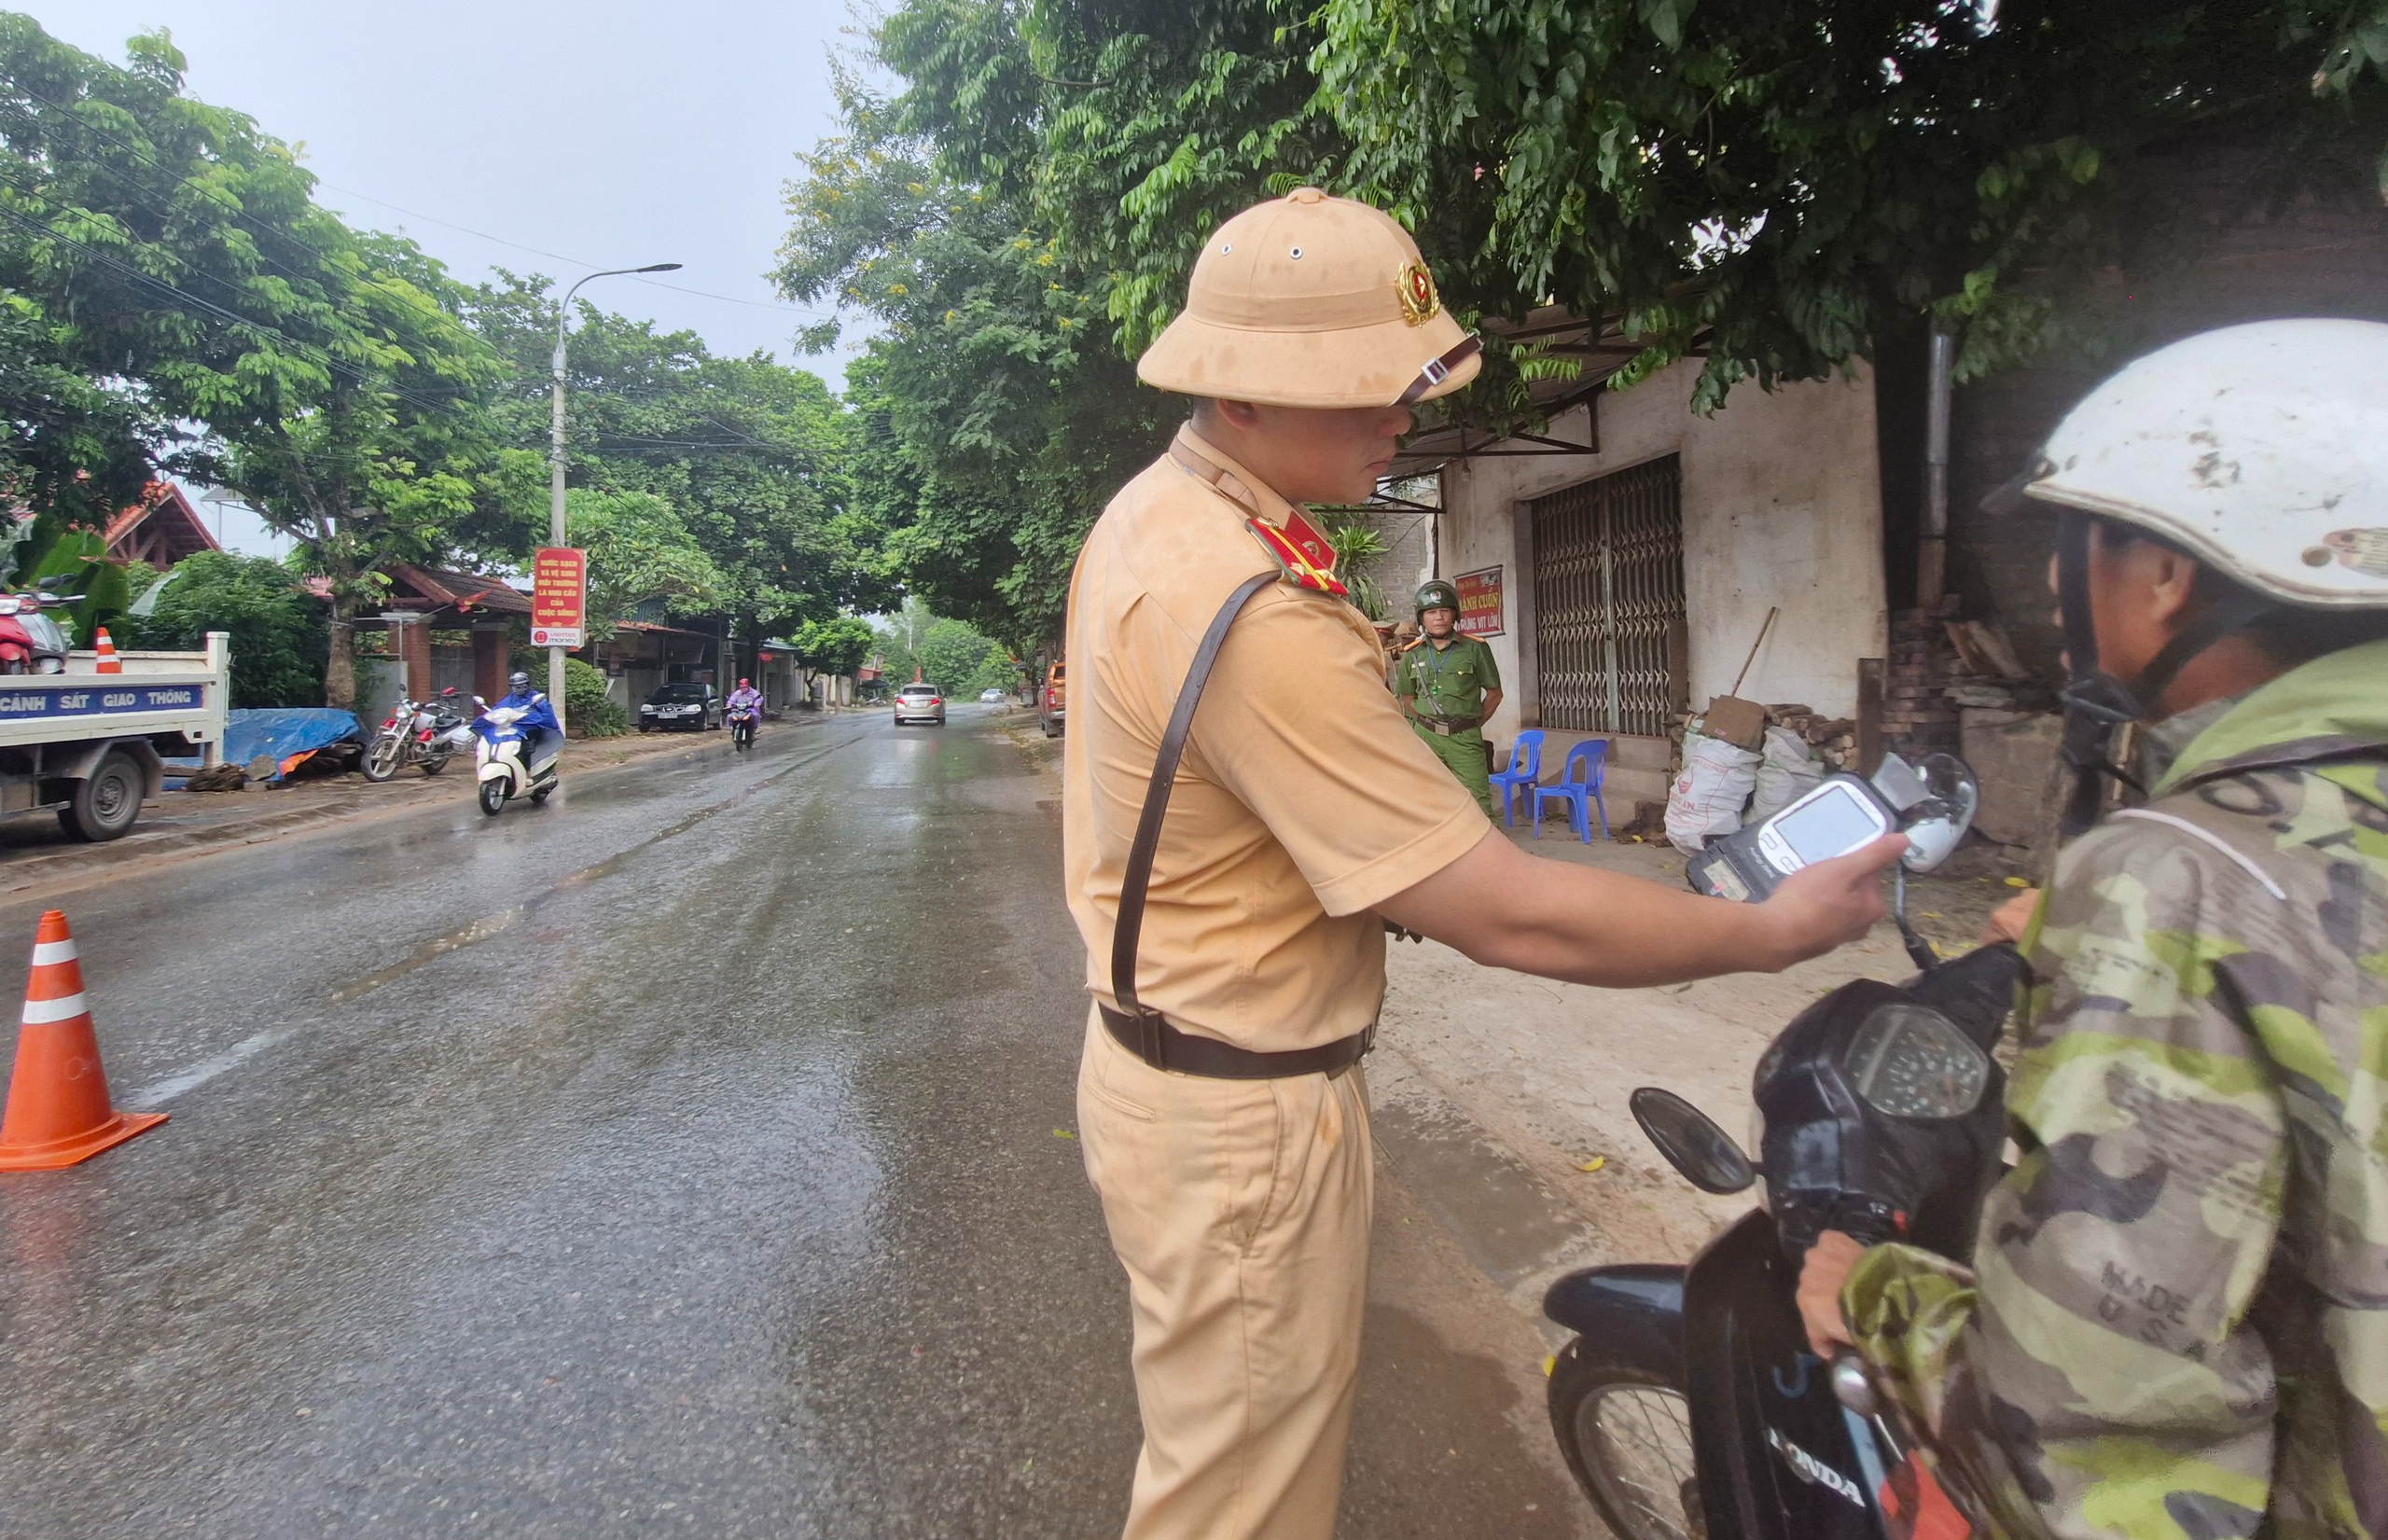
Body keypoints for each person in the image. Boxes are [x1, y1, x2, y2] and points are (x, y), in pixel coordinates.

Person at [1064, 186, 1904, 1540]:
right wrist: (1768, 928)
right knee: (1240, 1505)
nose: (1404, 413)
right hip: (1237, 1116)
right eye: (1370, 387)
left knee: (1228, 1465)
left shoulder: (1158, 516)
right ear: (1251, 393)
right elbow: (1507, 913)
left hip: (1184, 1066)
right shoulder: (1241, 596)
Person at [1793, 319, 2388, 1539]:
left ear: (2169, 575)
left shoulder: (2178, 874)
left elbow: (2097, 1396)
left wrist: (1882, 1295)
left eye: (2077, 541)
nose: (2060, 584)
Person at [1395, 579, 1503, 814]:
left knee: (1478, 801)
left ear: (1455, 615)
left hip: (1464, 738)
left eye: (1445, 610)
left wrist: (1469, 724)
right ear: (1421, 618)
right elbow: (1407, 698)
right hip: (1426, 737)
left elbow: (1494, 693)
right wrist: (1428, 723)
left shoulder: (1475, 648)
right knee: (1423, 801)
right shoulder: (1412, 654)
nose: (1439, 617)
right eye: (1431, 612)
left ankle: (1483, 850)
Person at [491, 670, 562, 764]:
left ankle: (529, 764)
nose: (519, 688)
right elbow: (498, 710)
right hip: (512, 730)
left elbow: (548, 717)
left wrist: (533, 718)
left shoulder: (536, 698)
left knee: (528, 741)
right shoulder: (510, 699)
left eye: (522, 685)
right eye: (515, 686)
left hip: (533, 730)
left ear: (527, 685)